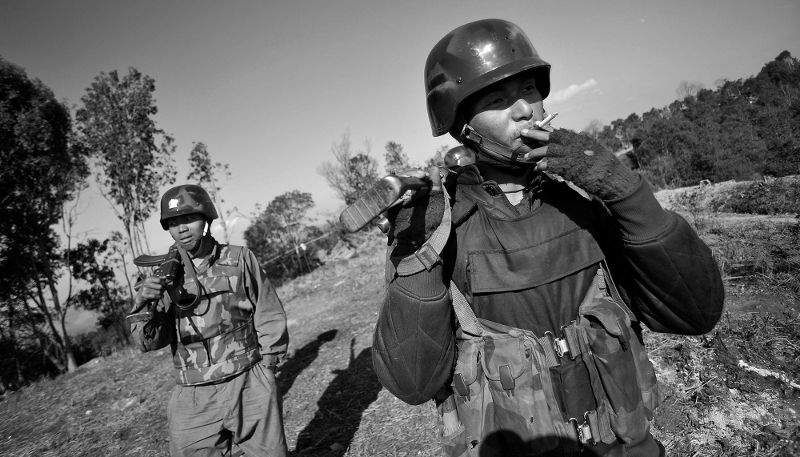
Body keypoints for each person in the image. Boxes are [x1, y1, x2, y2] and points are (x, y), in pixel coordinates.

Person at [371, 19, 724, 456]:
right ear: (462, 124)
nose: (525, 110)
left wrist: (629, 195)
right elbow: (412, 382)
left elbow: (696, 314)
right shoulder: (443, 225)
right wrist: (416, 257)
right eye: (499, 99)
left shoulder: (584, 196)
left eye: (530, 91)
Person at [127, 184, 289, 457]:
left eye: (189, 219)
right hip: (193, 396)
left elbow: (268, 312)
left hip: (248, 382)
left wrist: (269, 367)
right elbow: (149, 342)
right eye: (174, 223)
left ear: (206, 220)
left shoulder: (239, 259)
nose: (181, 228)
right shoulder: (164, 276)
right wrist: (143, 303)